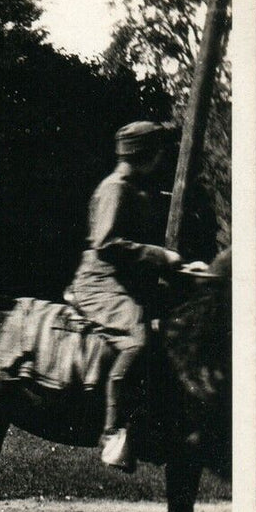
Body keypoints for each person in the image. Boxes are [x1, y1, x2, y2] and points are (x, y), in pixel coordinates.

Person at [64, 121, 207, 471]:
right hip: (99, 283)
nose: (161, 159)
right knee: (138, 338)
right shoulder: (114, 188)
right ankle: (112, 433)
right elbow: (107, 243)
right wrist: (162, 256)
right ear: (147, 155)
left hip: (124, 282)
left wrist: (185, 268)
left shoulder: (135, 189)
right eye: (158, 152)